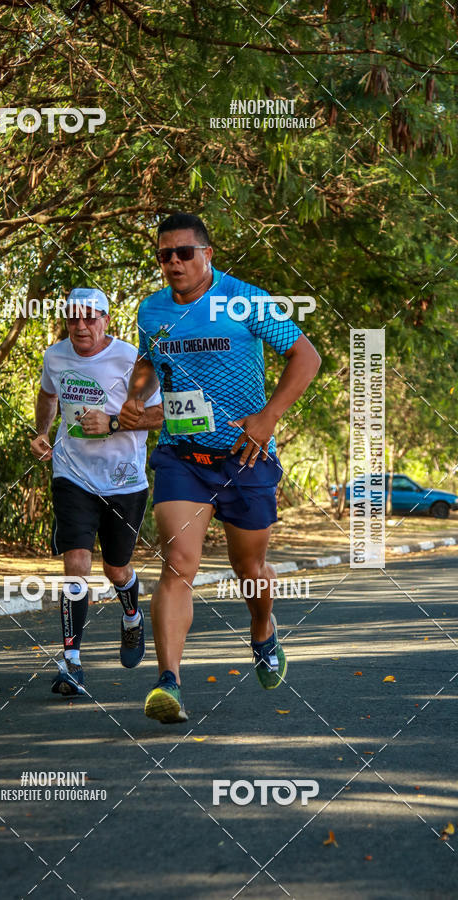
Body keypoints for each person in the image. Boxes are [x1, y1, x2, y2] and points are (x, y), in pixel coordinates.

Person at [119, 212, 321, 723]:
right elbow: (148, 360)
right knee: (178, 565)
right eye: (164, 254)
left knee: (248, 570)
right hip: (182, 456)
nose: (173, 263)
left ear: (208, 254)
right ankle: (168, 683)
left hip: (245, 456)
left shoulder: (244, 299)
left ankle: (262, 630)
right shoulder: (152, 309)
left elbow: (306, 356)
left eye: (184, 252)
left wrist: (267, 419)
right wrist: (135, 396)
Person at [30, 287, 163, 696]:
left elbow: (162, 416)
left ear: (107, 319)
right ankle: (71, 662)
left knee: (116, 568)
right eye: (73, 319)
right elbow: (48, 394)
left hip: (124, 480)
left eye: (91, 318)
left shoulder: (132, 361)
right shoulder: (55, 356)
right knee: (77, 564)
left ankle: (132, 615)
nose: (82, 326)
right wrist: (42, 431)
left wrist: (114, 424)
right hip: (72, 474)